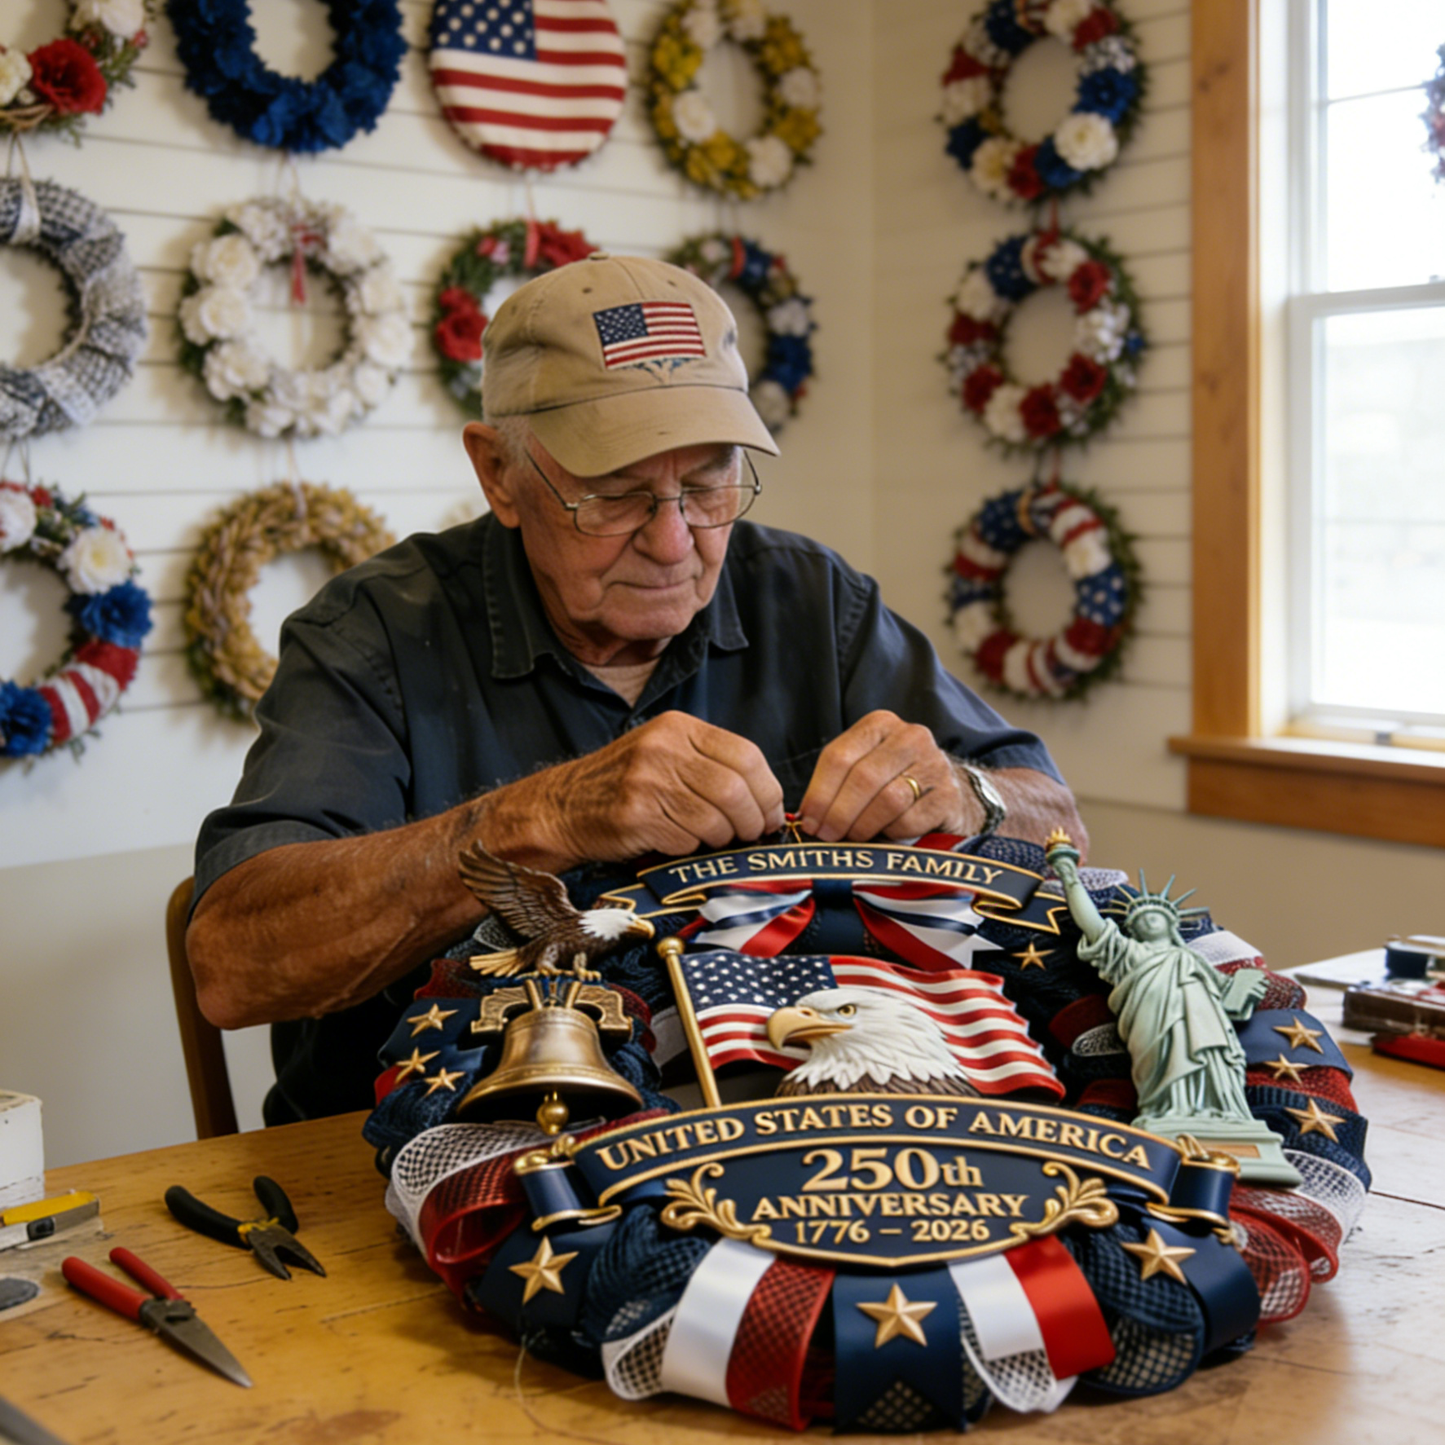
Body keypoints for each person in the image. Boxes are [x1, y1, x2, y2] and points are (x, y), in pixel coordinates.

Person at [189, 254, 1088, 1124]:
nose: (672, 541)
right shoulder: (373, 632)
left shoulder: (811, 600)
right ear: (498, 473)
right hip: (419, 1151)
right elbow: (231, 968)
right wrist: (544, 816)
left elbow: (1061, 829)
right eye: (613, 494)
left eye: (706, 482)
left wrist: (963, 793)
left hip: (756, 1131)